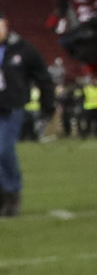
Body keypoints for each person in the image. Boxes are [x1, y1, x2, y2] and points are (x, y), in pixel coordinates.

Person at [0, 13, 56, 218]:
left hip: (11, 108)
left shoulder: (23, 49)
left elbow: (43, 77)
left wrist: (47, 105)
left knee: (4, 150)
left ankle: (12, 193)